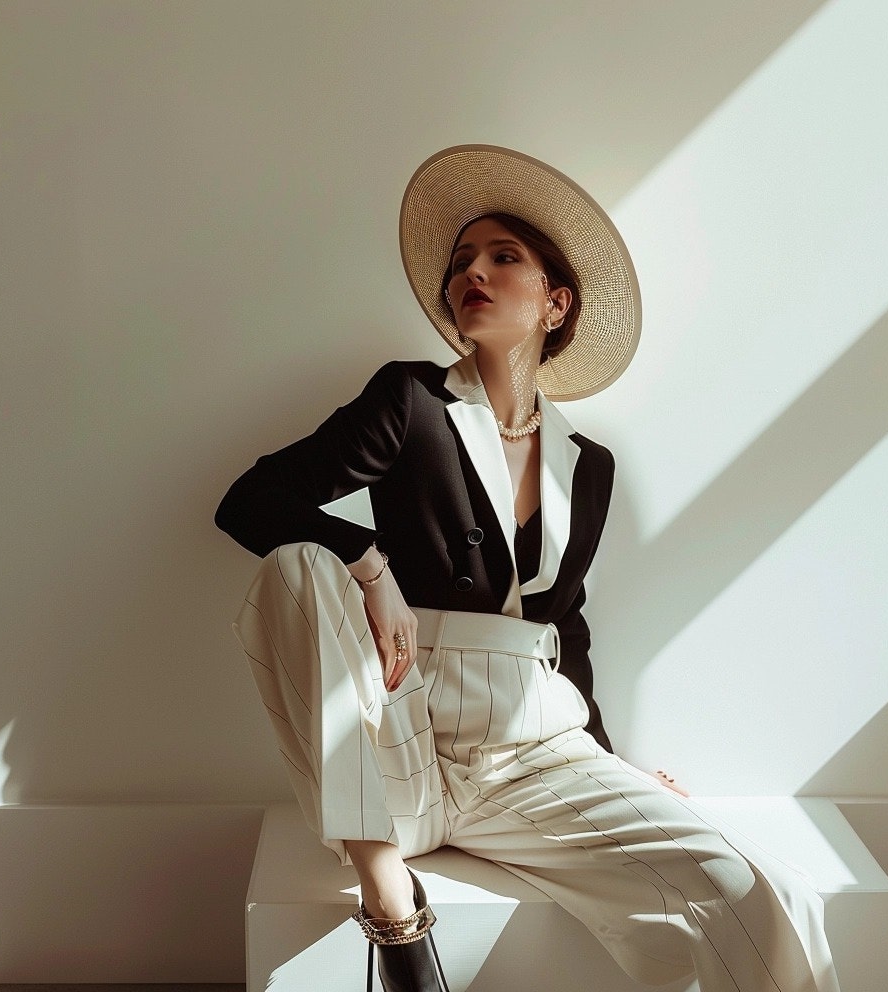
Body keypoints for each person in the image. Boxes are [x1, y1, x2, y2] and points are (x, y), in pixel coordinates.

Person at [216, 145, 840, 992]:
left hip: (536, 758)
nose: (471, 271)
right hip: (401, 750)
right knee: (298, 566)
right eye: (461, 262)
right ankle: (392, 910)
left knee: (762, 895)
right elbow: (250, 500)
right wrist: (368, 563)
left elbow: (565, 626)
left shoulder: (590, 465)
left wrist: (612, 761)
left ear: (556, 301)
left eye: (502, 257)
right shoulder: (411, 401)